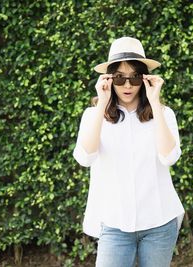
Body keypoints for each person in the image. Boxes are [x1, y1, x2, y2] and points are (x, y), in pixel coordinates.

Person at [73, 36, 185, 267]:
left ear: (144, 79)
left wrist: (155, 103)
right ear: (108, 79)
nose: (127, 85)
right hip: (115, 225)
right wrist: (102, 104)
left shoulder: (164, 113)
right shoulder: (93, 115)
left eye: (134, 77)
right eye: (119, 78)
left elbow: (170, 157)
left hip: (159, 222)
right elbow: (85, 157)